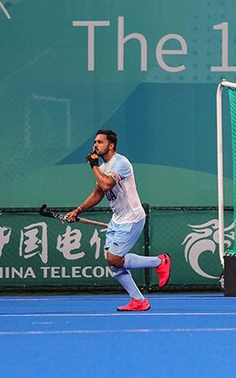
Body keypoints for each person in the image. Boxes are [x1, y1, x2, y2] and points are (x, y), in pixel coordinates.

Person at [65, 130, 170, 312]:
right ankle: (138, 300)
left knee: (115, 258)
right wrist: (78, 210)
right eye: (95, 142)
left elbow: (106, 184)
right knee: (113, 262)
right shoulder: (103, 168)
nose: (95, 145)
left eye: (99, 142)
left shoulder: (121, 163)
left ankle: (159, 262)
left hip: (132, 218)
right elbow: (99, 193)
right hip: (117, 219)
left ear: (111, 145)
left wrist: (93, 166)